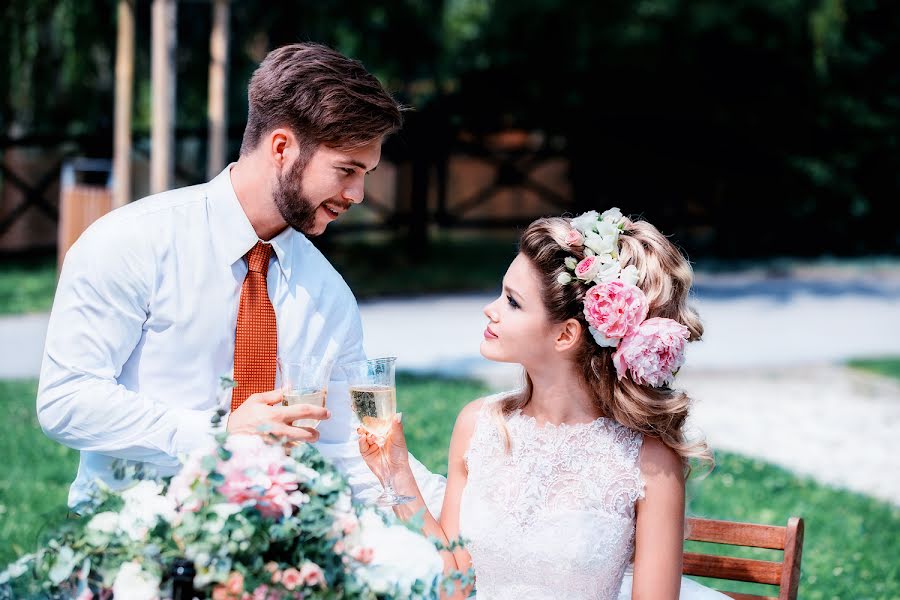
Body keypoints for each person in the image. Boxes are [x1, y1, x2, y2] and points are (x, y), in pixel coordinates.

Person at [36, 41, 444, 514]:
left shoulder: (330, 295)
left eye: (366, 173)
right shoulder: (130, 243)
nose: (358, 193)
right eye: (347, 171)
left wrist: (461, 514)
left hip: (283, 552)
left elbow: (359, 442)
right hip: (135, 540)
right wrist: (219, 433)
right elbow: (67, 401)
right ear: (281, 147)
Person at [358, 208, 730, 599]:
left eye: (513, 302)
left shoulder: (650, 462)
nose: (491, 309)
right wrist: (396, 471)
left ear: (566, 335)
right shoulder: (478, 425)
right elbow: (453, 582)